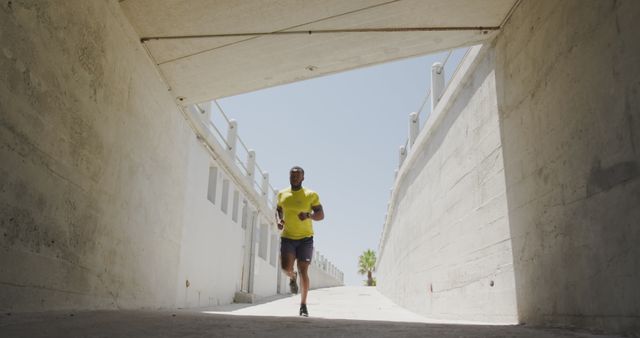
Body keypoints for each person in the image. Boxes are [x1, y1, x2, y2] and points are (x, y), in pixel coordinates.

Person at [276, 166, 324, 317]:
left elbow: (321, 215)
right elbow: (278, 210)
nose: (294, 178)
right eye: (292, 175)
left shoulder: (311, 195)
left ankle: (303, 305)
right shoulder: (282, 194)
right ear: (289, 177)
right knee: (285, 269)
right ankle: (292, 276)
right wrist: (279, 220)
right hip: (288, 237)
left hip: (305, 239)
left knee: (304, 271)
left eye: (297, 176)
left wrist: (308, 215)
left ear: (303, 177)